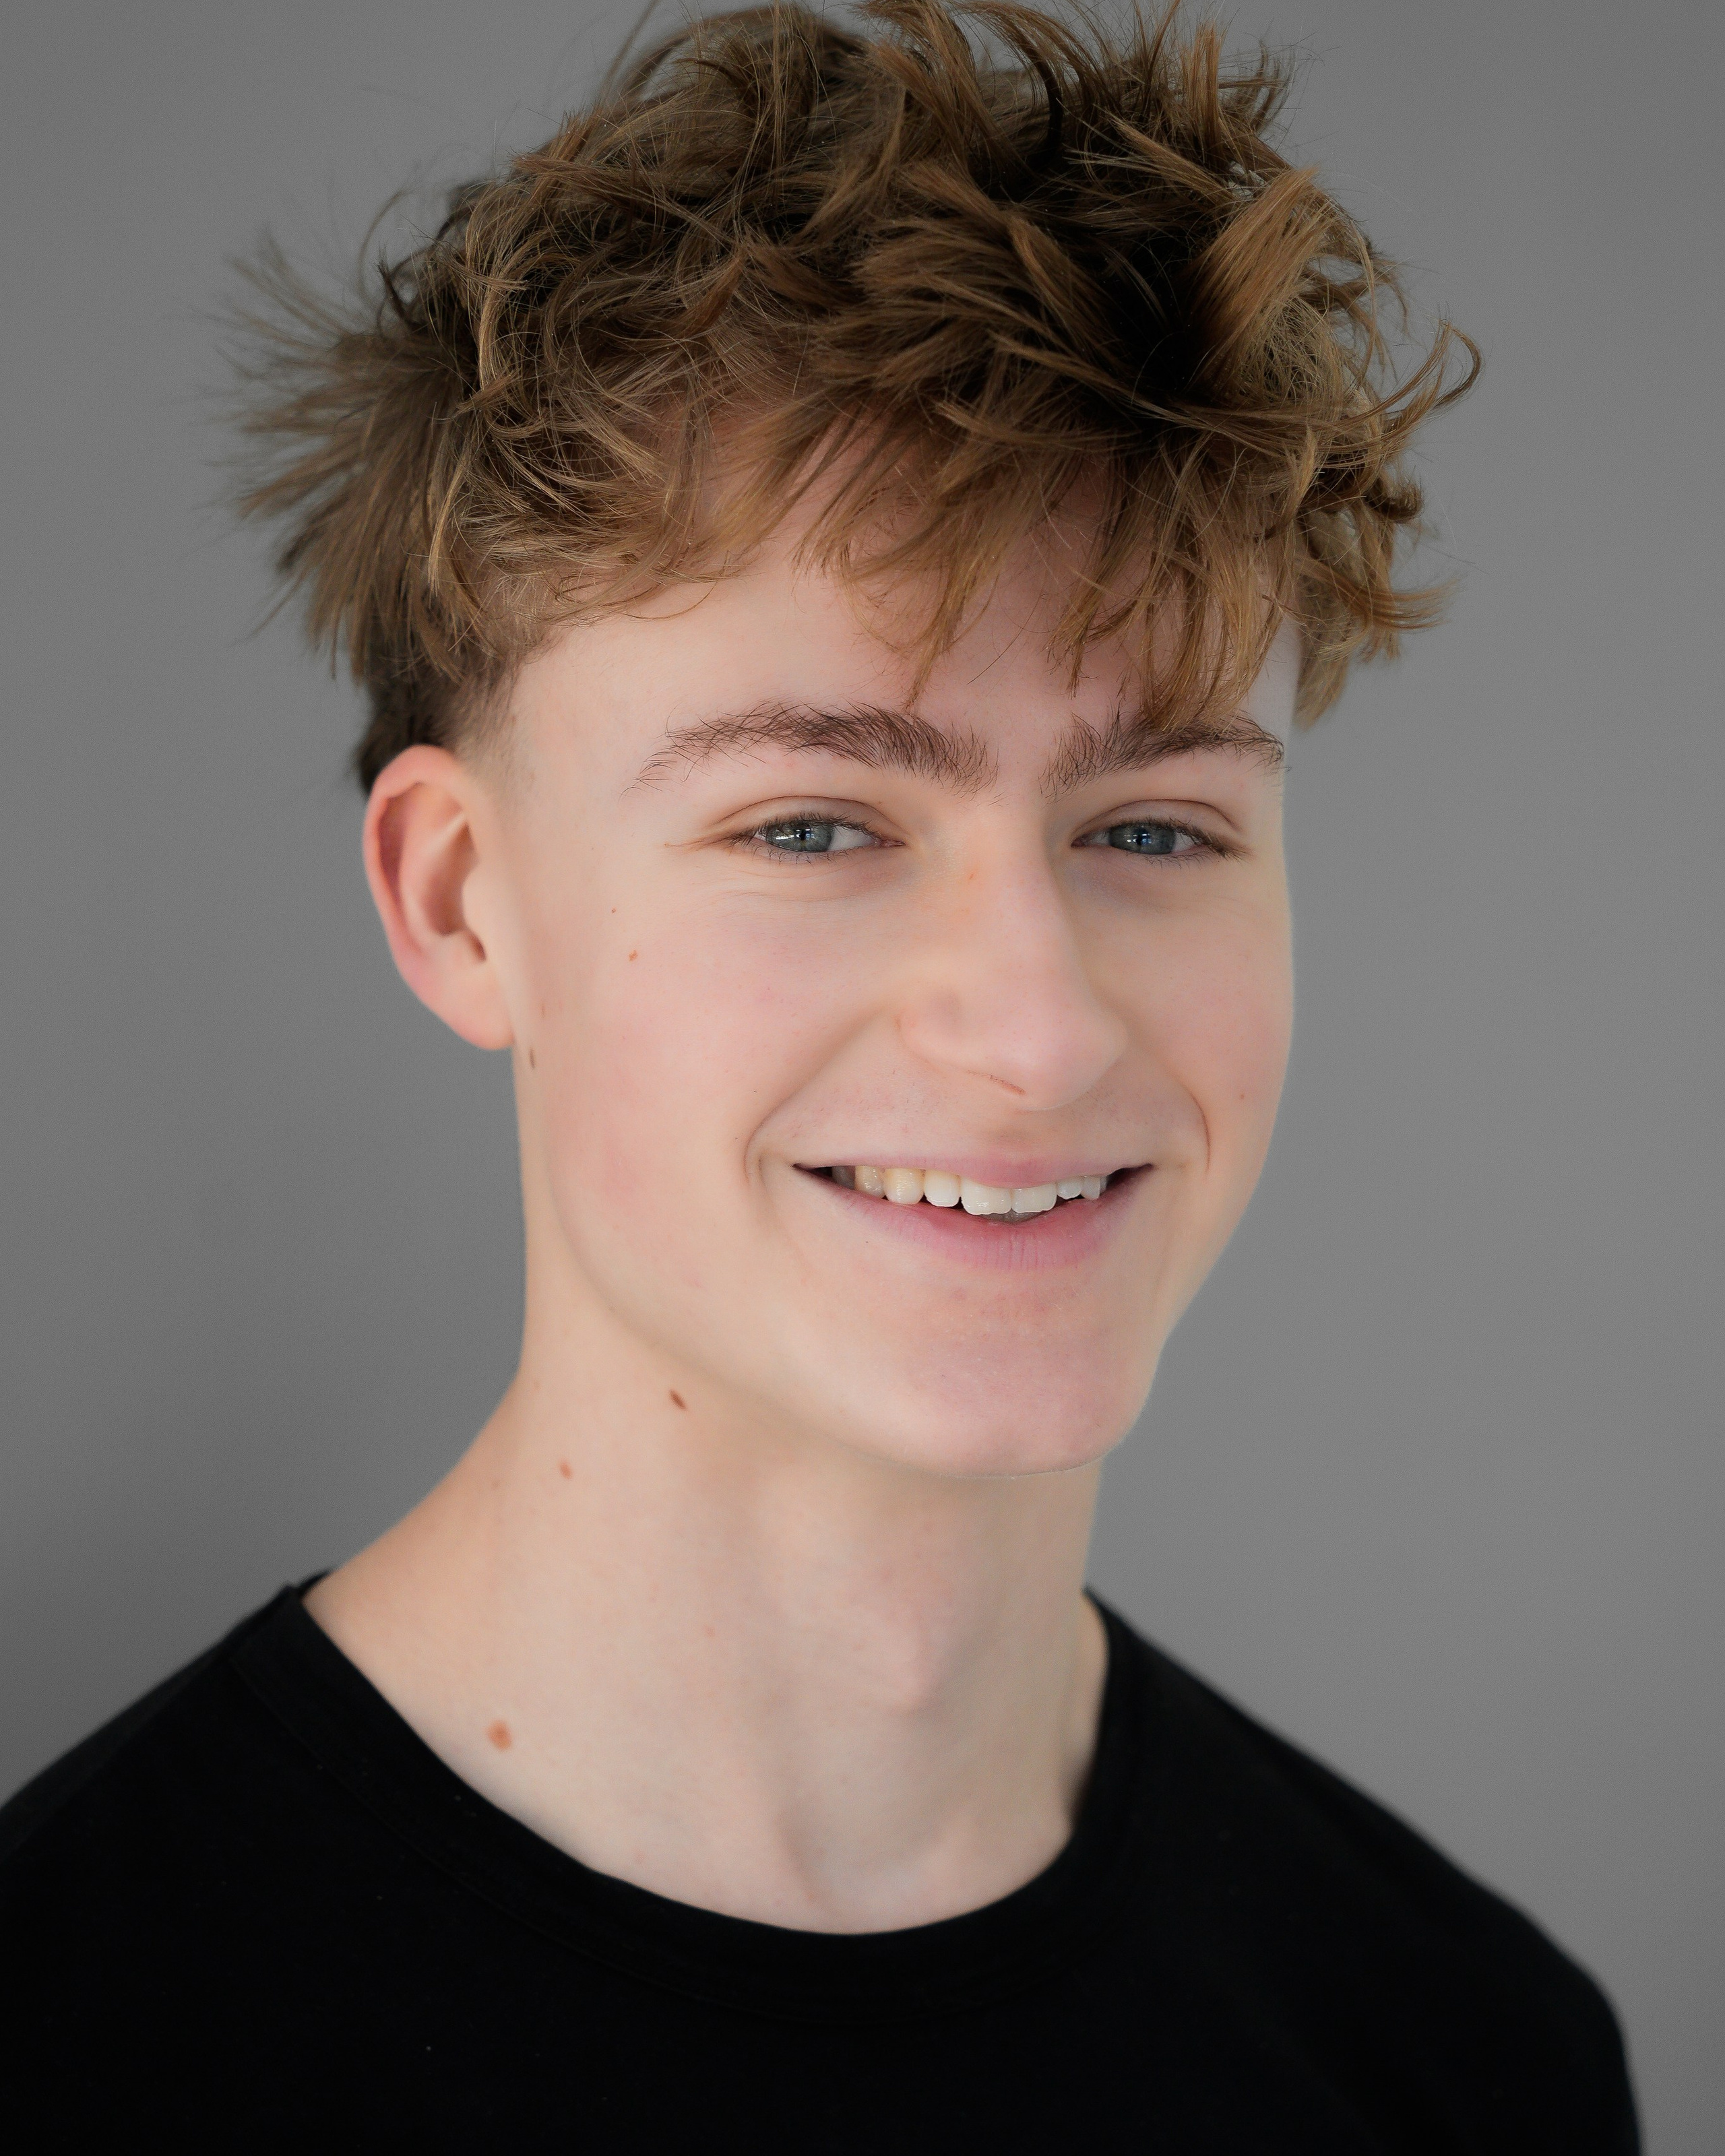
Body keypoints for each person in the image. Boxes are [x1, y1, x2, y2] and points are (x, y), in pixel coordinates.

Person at [0, 2, 1639, 2145]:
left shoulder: (1466, 2055)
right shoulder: (69, 2036)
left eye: (1153, 828)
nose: (1039, 1031)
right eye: (813, 827)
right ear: (463, 903)